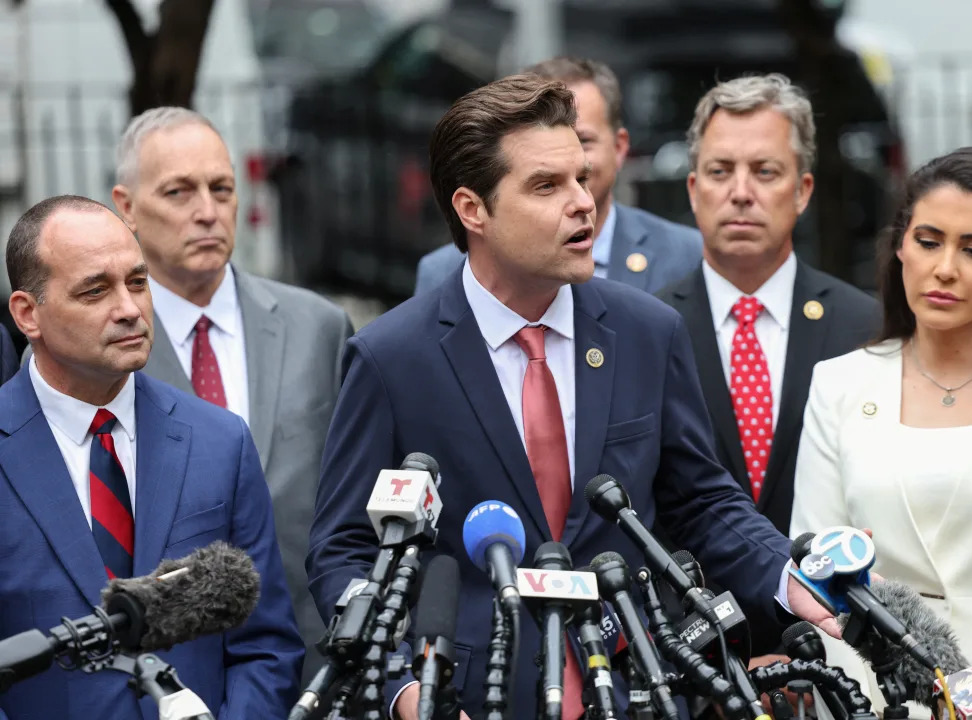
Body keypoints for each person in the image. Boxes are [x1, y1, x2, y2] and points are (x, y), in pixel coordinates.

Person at [308, 74, 839, 720]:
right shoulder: (392, 359)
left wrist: (789, 577)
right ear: (472, 209)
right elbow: (344, 549)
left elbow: (702, 500)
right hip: (472, 696)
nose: (582, 203)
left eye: (581, 178)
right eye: (545, 186)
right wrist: (403, 689)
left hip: (637, 685)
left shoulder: (645, 332)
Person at [791, 147, 972, 718]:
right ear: (900, 245)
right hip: (874, 700)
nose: (945, 268)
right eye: (928, 241)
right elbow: (817, 581)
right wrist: (861, 709)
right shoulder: (838, 385)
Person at [0, 195, 303, 719]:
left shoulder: (220, 442)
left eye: (138, 283)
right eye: (95, 291)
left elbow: (265, 646)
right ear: (29, 313)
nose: (129, 308)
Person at [109, 107, 353, 681]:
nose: (207, 211)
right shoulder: (102, 356)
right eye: (178, 191)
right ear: (127, 207)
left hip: (317, 661)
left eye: (222, 189)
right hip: (164, 671)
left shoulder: (319, 327)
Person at [657, 74, 879, 539]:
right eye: (721, 172)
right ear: (694, 190)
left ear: (802, 190)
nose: (741, 192)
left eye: (765, 171)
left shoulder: (866, 330)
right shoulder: (648, 330)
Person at [413, 56, 701, 296]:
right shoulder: (444, 273)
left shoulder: (688, 256)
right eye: (546, 183)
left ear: (620, 147)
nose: (565, 154)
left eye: (583, 140)